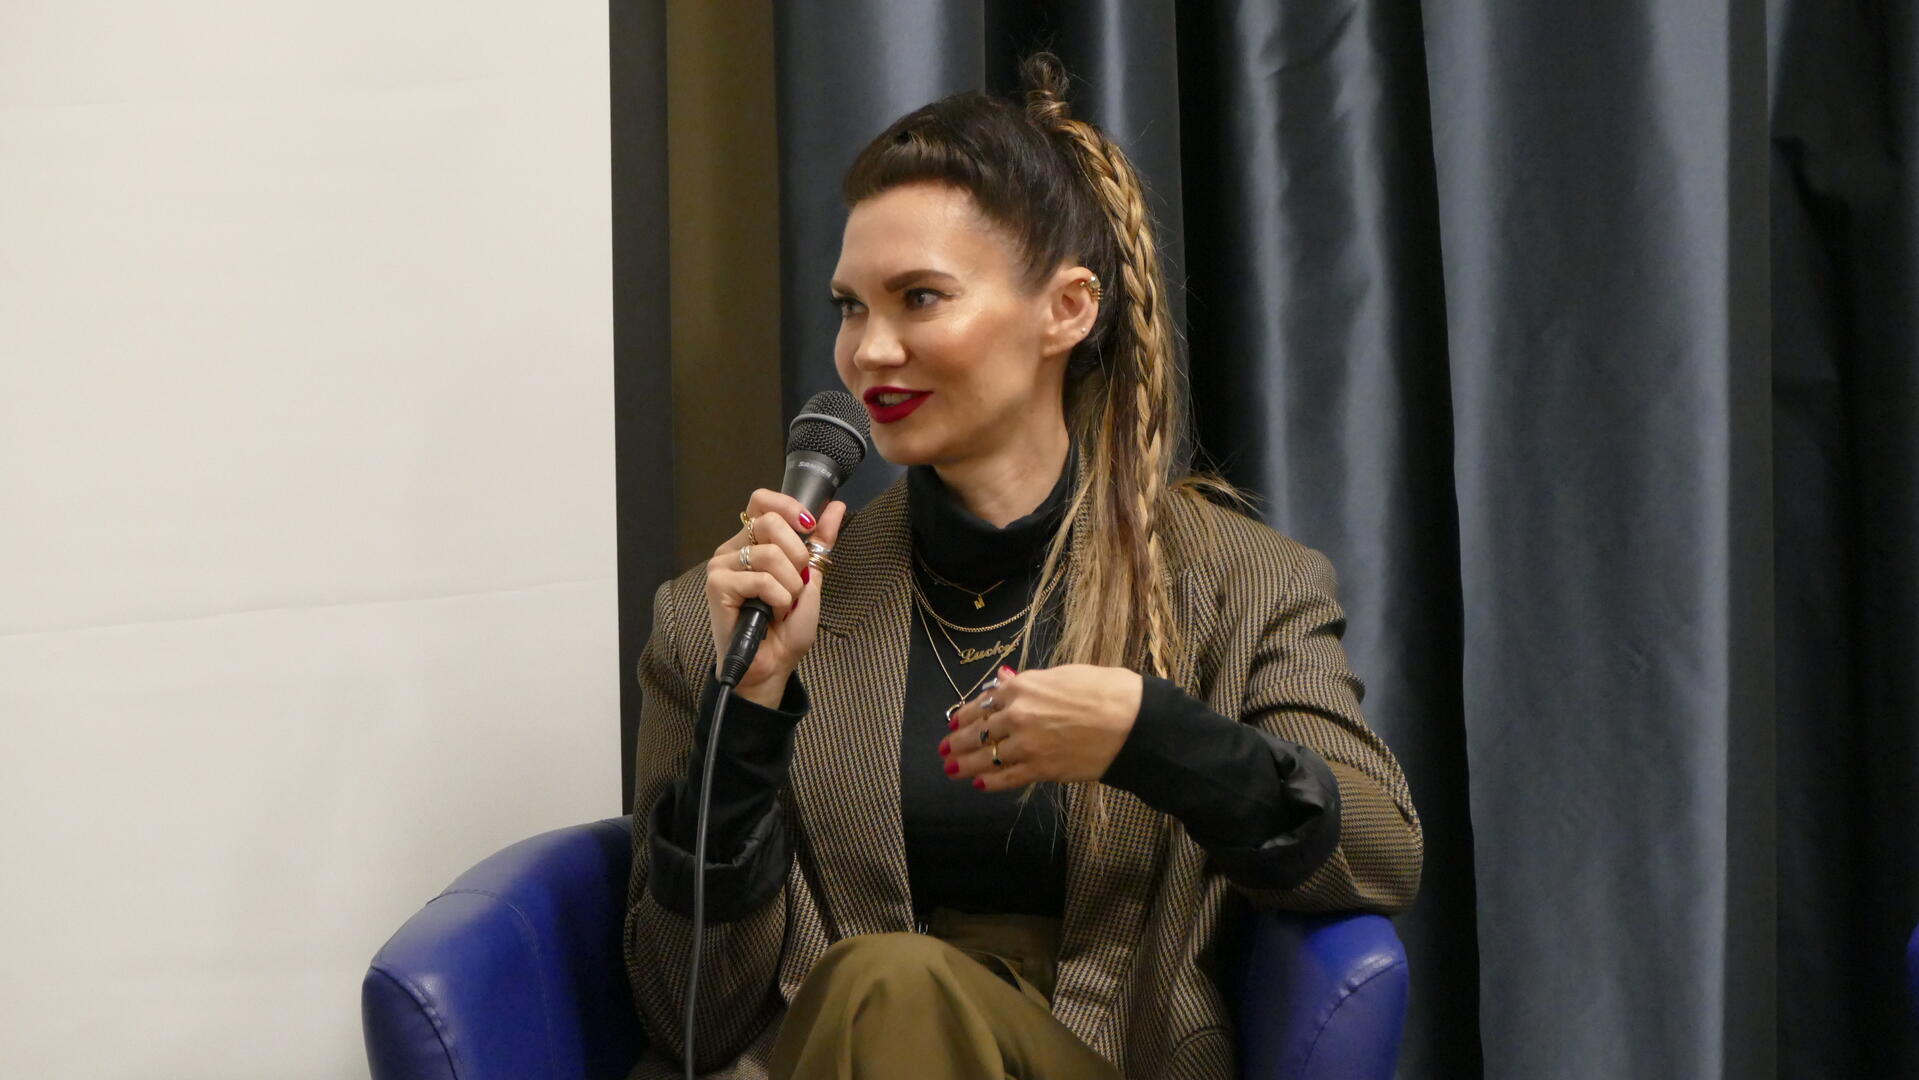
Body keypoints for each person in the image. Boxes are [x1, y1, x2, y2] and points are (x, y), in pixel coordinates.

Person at [623, 52, 1422, 1080]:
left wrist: (1150, 736)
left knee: (891, 983)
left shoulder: (1241, 585)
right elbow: (684, 1011)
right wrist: (749, 713)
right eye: (849, 307)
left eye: (918, 298)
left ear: (1067, 309)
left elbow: (1379, 852)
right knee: (885, 986)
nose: (868, 351)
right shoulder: (726, 621)